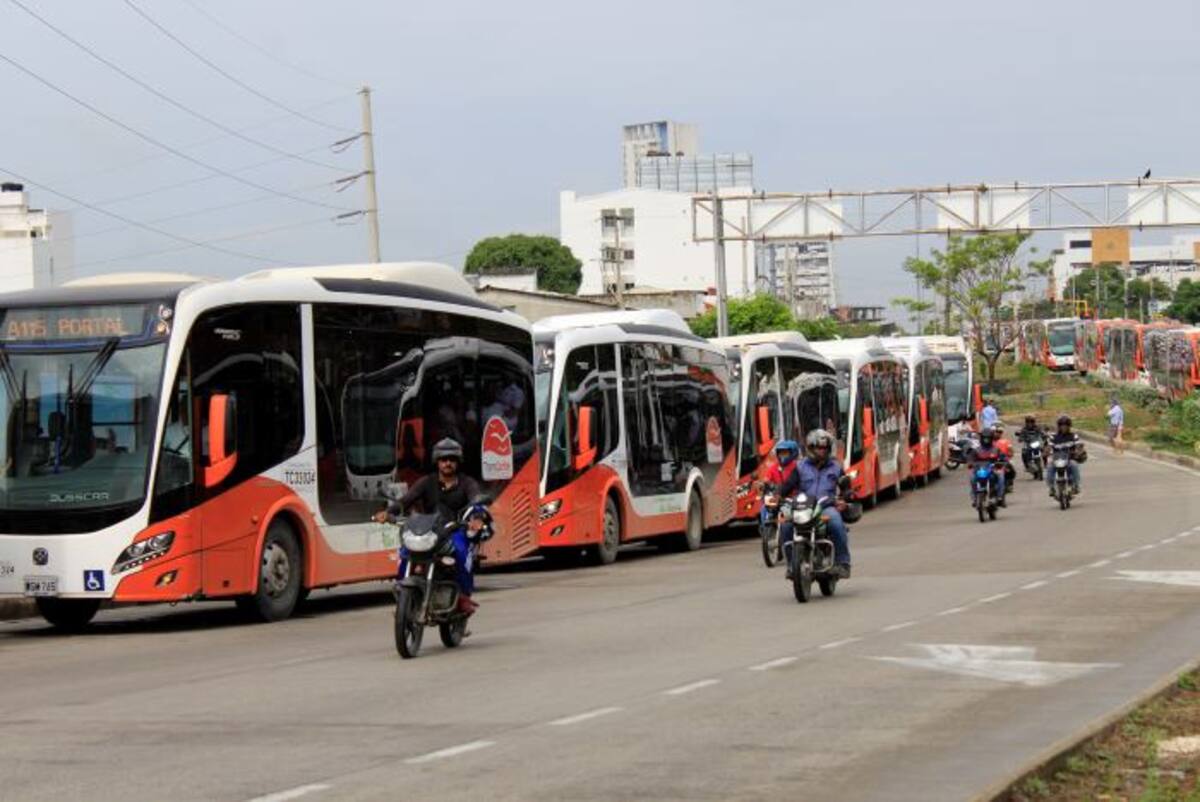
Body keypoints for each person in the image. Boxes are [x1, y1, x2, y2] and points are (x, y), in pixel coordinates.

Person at [373, 438, 485, 614]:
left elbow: (476, 501)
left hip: (455, 530)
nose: (447, 463)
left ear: (458, 462)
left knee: (462, 551)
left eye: (452, 459)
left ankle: (463, 596)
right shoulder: (426, 482)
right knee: (405, 552)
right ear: (437, 461)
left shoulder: (467, 483)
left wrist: (476, 518)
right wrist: (388, 513)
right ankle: (403, 590)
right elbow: (406, 500)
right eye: (443, 459)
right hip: (430, 530)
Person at [779, 429, 852, 579]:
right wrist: (777, 496)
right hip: (803, 507)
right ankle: (792, 565)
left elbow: (846, 487)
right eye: (818, 447)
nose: (822, 451)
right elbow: (788, 485)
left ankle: (843, 563)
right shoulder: (800, 466)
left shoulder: (836, 466)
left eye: (825, 448)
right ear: (810, 448)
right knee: (785, 525)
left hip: (826, 506)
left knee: (836, 523)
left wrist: (846, 497)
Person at [967, 426, 1007, 507]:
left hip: (993, 469)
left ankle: (1000, 497)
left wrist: (1001, 462)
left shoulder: (996, 449)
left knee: (1001, 476)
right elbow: (970, 458)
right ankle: (975, 497)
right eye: (985, 438)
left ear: (991, 438)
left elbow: (1002, 457)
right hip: (979, 469)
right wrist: (970, 463)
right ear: (981, 438)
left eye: (988, 438)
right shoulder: (976, 450)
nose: (986, 440)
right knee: (972, 478)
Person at [1046, 414, 1083, 496]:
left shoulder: (1074, 436)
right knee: (1049, 467)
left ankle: (1076, 485)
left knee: (1074, 465)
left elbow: (1078, 446)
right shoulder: (1053, 437)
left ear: (1069, 426)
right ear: (1058, 426)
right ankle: (1051, 487)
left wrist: (1078, 451)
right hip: (1056, 459)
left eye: (1066, 425)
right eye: (1062, 425)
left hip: (1069, 459)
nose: (1064, 427)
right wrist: (1046, 452)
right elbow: (1048, 446)